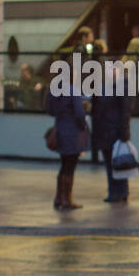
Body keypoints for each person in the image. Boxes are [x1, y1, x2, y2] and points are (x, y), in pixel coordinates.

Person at [91, 59, 133, 204]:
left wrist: (124, 133)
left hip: (115, 131)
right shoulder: (105, 87)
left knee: (118, 163)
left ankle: (120, 192)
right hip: (105, 130)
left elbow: (125, 111)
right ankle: (114, 192)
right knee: (110, 164)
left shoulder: (122, 87)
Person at [45, 80, 90, 210]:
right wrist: (83, 125)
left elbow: (50, 110)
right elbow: (79, 113)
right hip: (73, 134)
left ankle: (59, 197)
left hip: (60, 131)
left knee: (64, 165)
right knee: (70, 167)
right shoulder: (73, 91)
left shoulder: (53, 91)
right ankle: (67, 199)